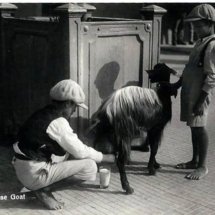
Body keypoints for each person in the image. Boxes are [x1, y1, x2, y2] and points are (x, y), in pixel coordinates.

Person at [12, 79, 114, 210]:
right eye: (75, 107)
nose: (74, 111)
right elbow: (80, 151)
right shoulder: (58, 122)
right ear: (67, 104)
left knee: (69, 153)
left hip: (23, 168)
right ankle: (43, 191)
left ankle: (38, 188)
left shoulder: (42, 113)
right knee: (90, 167)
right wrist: (105, 157)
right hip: (34, 174)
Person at [170, 4, 215, 180]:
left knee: (200, 128)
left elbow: (212, 77)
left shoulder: (211, 46)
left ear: (210, 23)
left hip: (200, 95)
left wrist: (200, 101)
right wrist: (178, 84)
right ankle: (195, 160)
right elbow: (190, 68)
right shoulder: (200, 42)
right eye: (193, 25)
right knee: (193, 126)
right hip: (191, 91)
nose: (195, 29)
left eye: (199, 25)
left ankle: (203, 166)